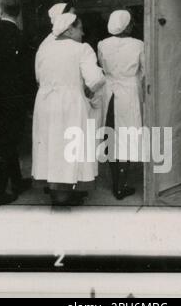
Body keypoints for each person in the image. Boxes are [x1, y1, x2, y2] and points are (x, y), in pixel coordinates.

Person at [32, 12, 105, 206]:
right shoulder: (82, 49)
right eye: (80, 29)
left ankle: (60, 194)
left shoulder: (44, 49)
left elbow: (38, 77)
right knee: (70, 149)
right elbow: (95, 79)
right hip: (70, 104)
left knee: (52, 148)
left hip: (46, 103)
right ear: (70, 29)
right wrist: (89, 89)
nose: (82, 33)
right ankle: (64, 198)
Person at [0, 0, 32, 206]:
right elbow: (27, 75)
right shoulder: (22, 38)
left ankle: (17, 181)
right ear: (19, 12)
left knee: (6, 142)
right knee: (8, 143)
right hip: (15, 100)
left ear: (0, 9)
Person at [98, 10, 145, 200]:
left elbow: (102, 66)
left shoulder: (102, 44)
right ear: (126, 25)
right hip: (129, 93)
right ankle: (121, 185)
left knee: (110, 135)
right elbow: (145, 70)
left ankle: (116, 181)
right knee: (126, 137)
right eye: (131, 22)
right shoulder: (139, 45)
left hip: (108, 93)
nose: (133, 25)